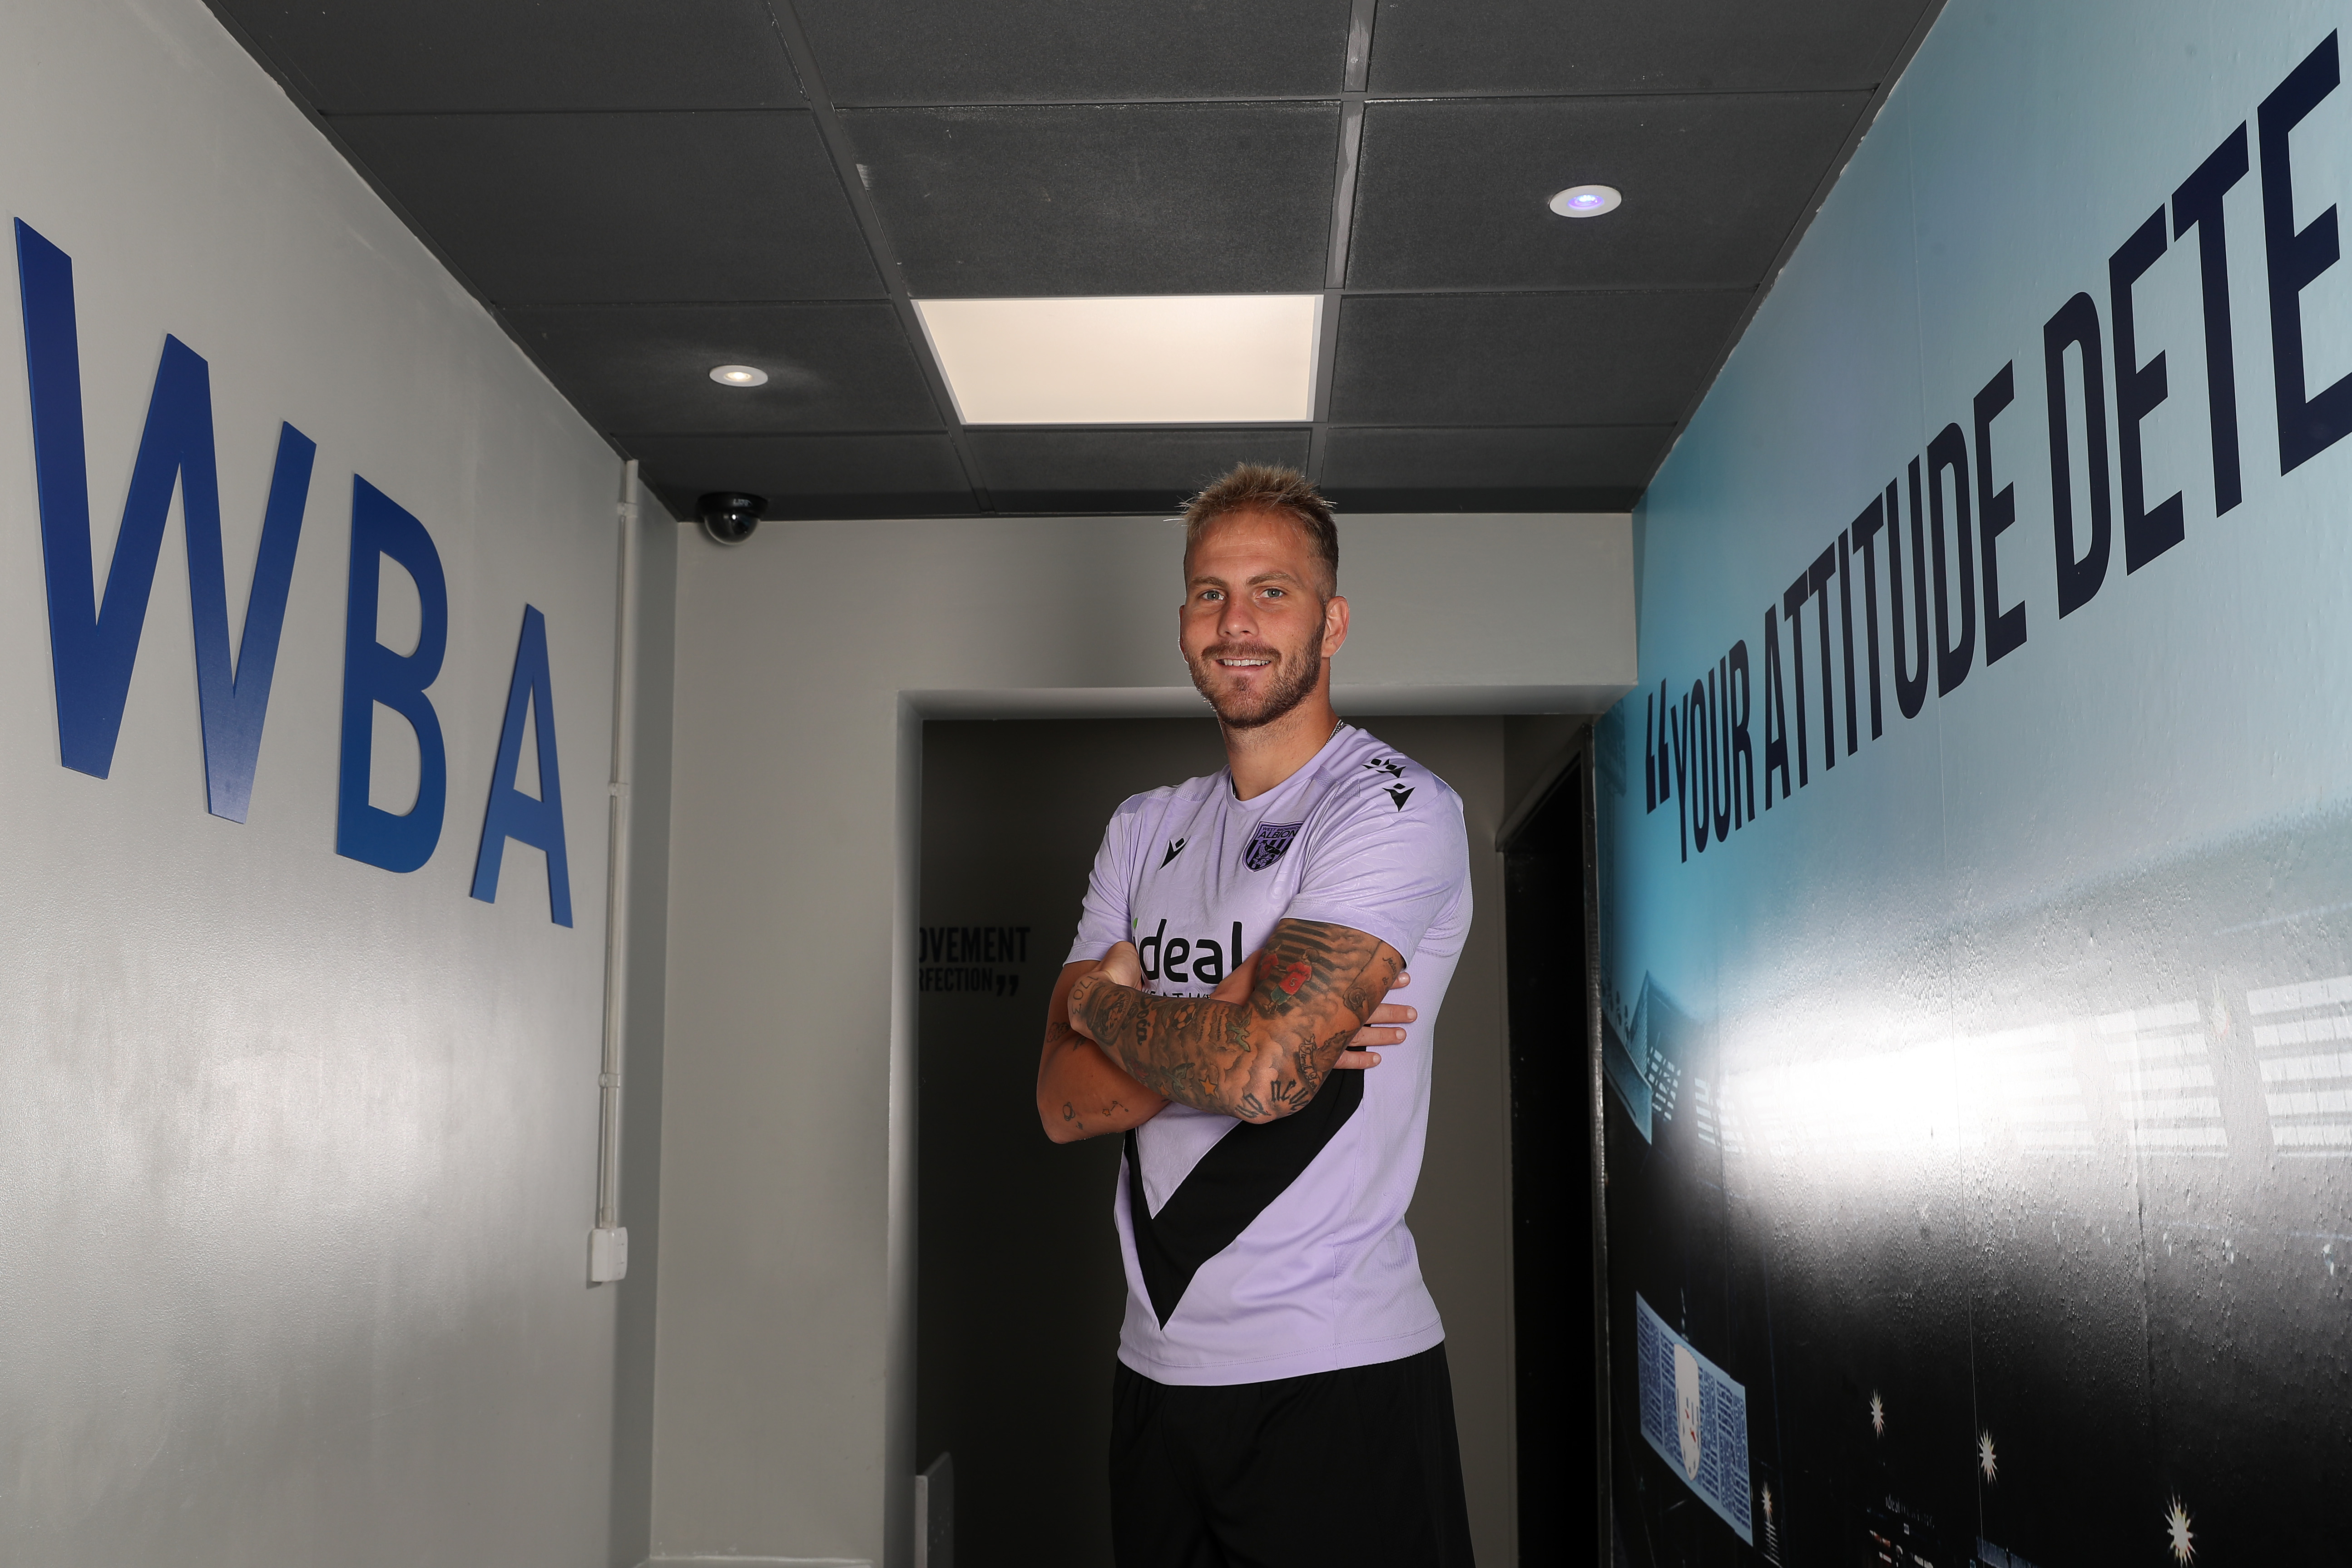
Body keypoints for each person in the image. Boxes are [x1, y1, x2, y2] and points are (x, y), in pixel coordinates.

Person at [1036, 464, 1477, 1566]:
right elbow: (1057, 1101)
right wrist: (1227, 1017)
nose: (1236, 621)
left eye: (1271, 591)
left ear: (1331, 622)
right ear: (1184, 621)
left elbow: (1265, 1076)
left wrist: (1106, 1002)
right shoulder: (1144, 826)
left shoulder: (1394, 806)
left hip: (1336, 1375)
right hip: (1155, 1371)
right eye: (1208, 592)